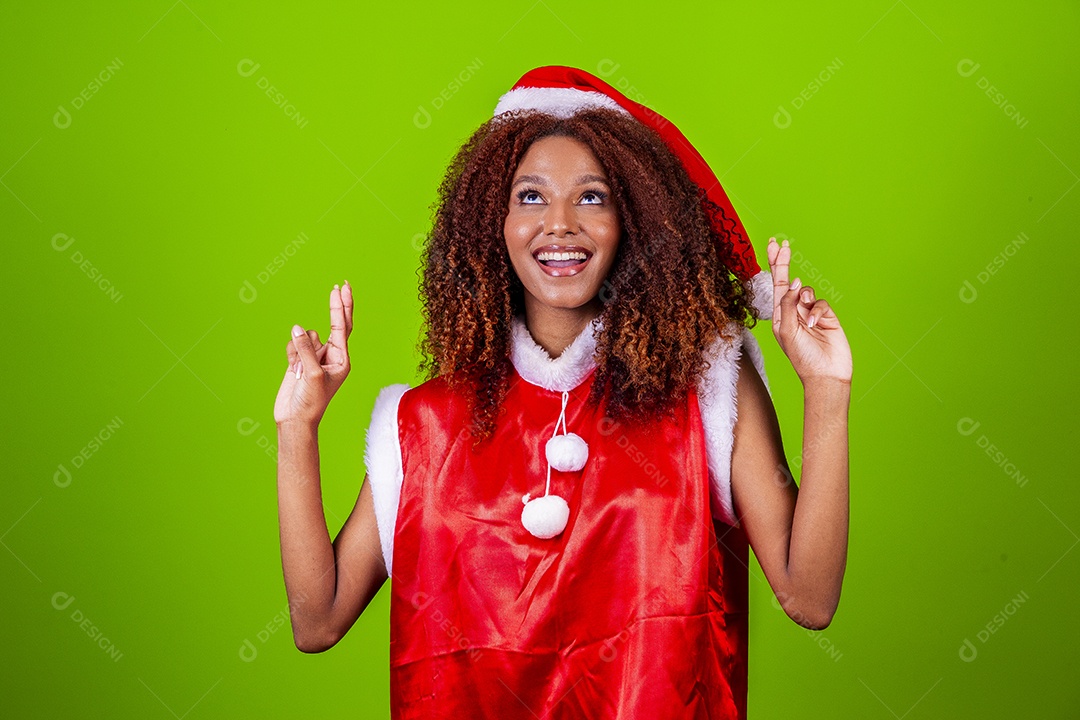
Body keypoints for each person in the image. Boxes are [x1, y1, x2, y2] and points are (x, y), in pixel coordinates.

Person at [274, 66, 851, 719]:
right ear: (492, 221)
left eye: (592, 197)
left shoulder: (708, 392)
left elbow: (811, 598)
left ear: (632, 220)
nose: (558, 224)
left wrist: (825, 389)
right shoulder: (423, 424)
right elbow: (316, 623)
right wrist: (298, 427)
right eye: (530, 197)